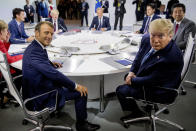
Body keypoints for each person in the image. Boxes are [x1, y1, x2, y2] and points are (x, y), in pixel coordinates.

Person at [22, 21, 100, 131]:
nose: (49, 36)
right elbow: (53, 74)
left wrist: (50, 63)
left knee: (65, 83)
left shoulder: (35, 47)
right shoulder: (34, 52)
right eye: (46, 33)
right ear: (37, 33)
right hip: (40, 96)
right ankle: (82, 125)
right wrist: (75, 86)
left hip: (36, 89)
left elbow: (41, 62)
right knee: (81, 93)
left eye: (51, 34)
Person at [116, 19, 184, 121]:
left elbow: (152, 80)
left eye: (161, 36)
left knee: (121, 90)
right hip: (151, 79)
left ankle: (136, 113)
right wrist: (131, 72)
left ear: (170, 36)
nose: (155, 40)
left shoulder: (172, 57)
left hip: (161, 90)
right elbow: (138, 58)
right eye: (153, 35)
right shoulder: (146, 39)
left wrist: (130, 79)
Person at [0, 19, 23, 93]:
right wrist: (23, 55)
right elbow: (9, 59)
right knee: (23, 71)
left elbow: (4, 53)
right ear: (1, 32)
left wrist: (6, 41)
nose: (7, 33)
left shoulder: (1, 42)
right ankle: (10, 94)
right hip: (2, 75)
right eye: (6, 31)